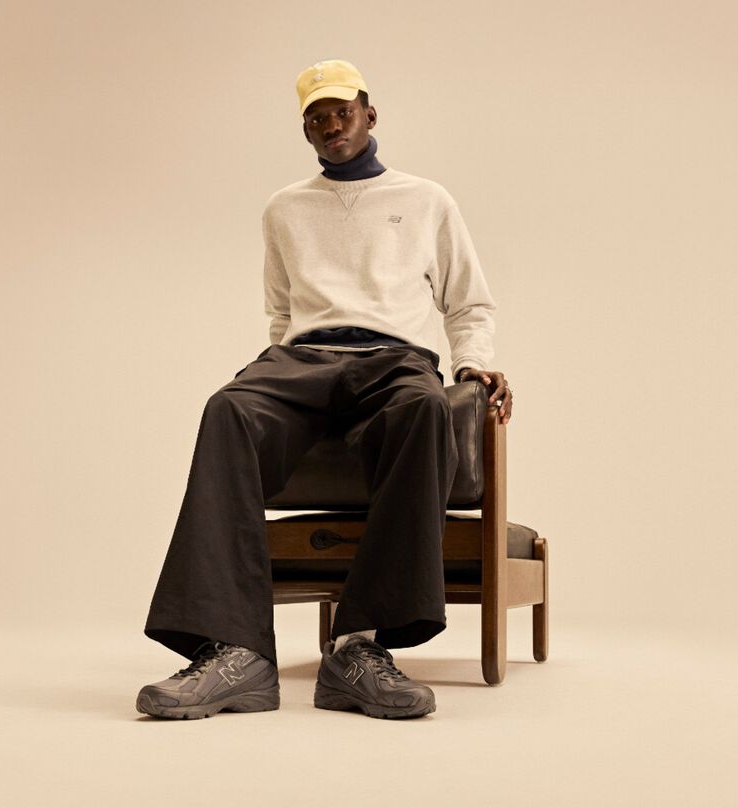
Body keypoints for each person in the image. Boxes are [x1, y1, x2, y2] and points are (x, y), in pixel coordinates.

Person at [137, 59, 512, 721]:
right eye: (316, 116)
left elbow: (468, 305)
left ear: (370, 114)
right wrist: (281, 362)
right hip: (305, 356)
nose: (330, 125)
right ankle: (236, 655)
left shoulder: (426, 199)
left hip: (396, 358)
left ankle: (358, 650)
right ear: (305, 129)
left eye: (341, 110)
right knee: (227, 409)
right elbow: (281, 312)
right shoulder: (285, 207)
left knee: (425, 408)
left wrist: (472, 365)